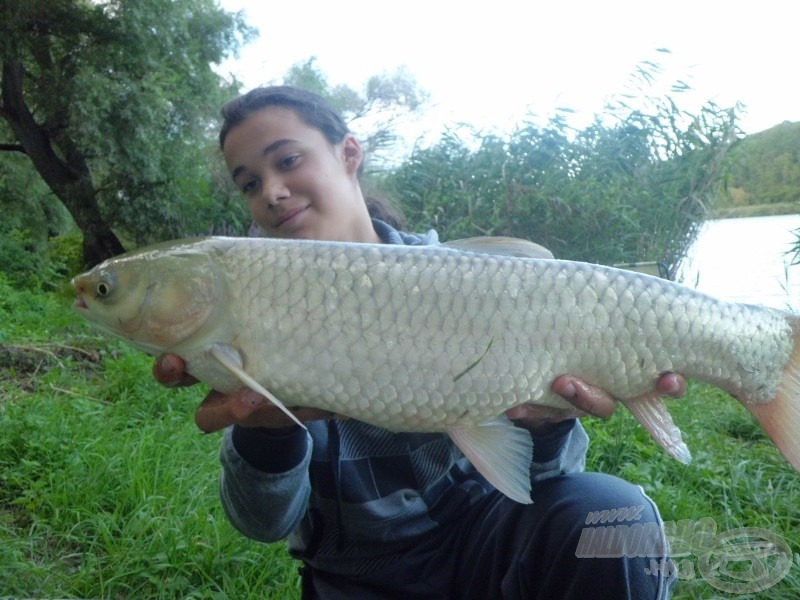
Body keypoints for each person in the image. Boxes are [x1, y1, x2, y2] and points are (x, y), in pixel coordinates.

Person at [153, 86, 685, 599]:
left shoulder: (470, 280)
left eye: (288, 160)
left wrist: (547, 426)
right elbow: (262, 523)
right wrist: (264, 436)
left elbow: (552, 480)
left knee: (617, 519)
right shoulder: (252, 305)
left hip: (490, 536)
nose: (270, 192)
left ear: (349, 153)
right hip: (358, 577)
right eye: (249, 184)